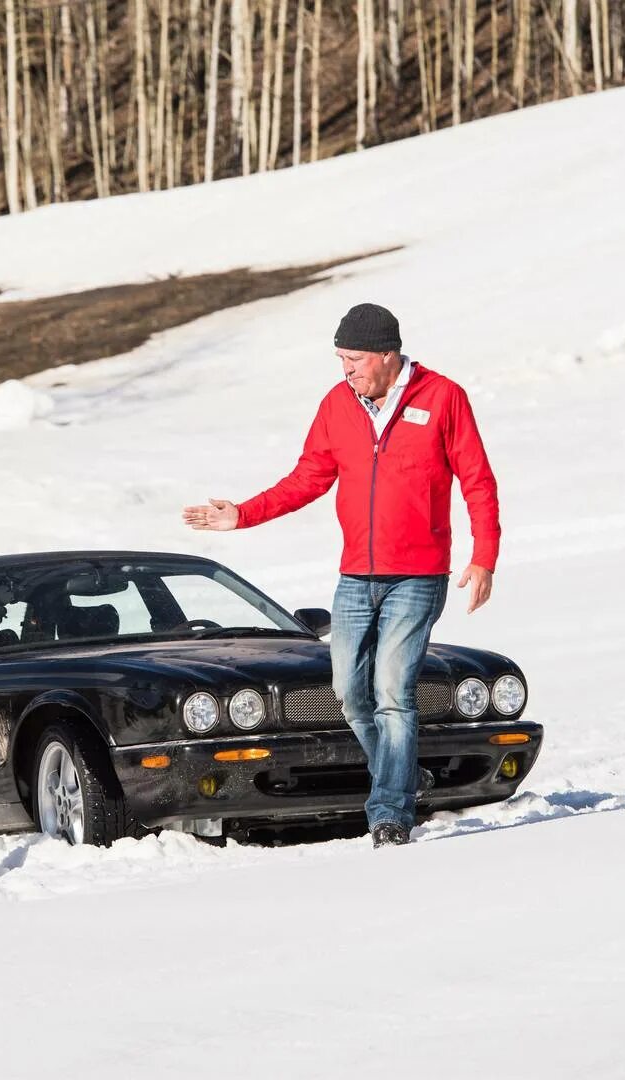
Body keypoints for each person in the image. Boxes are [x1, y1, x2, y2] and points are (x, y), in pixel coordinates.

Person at [182, 303, 500, 847]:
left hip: (418, 575)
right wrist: (244, 513)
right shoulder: (337, 405)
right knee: (349, 693)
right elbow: (308, 476)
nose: (345, 369)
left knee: (393, 692)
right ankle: (398, 772)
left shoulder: (443, 398)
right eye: (339, 359)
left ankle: (390, 813)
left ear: (386, 355)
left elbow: (477, 479)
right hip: (356, 576)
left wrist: (483, 556)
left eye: (353, 358)